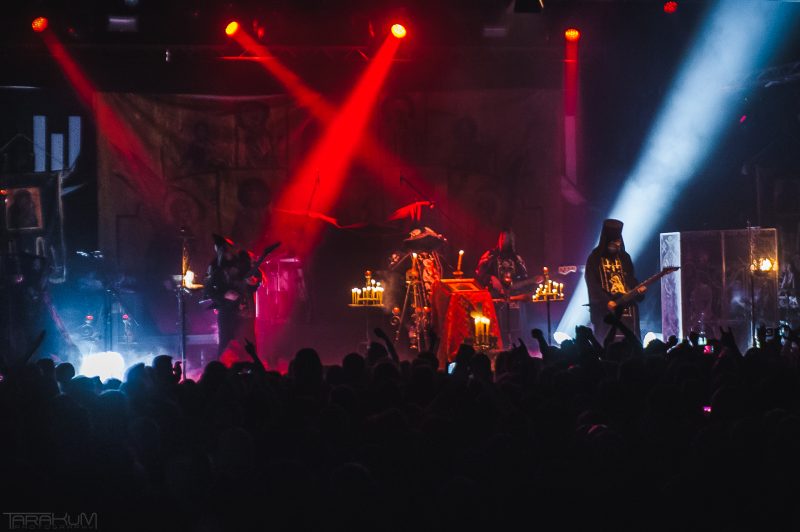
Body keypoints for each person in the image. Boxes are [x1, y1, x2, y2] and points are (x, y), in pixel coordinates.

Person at [585, 219, 645, 342]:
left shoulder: (624, 257)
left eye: (618, 242)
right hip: (605, 309)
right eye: (613, 243)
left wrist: (639, 290)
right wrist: (607, 301)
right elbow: (592, 284)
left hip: (627, 307)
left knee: (629, 340)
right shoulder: (595, 258)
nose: (616, 245)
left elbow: (630, 279)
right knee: (607, 340)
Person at [204, 234, 261, 358]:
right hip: (226, 310)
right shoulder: (215, 266)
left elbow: (256, 281)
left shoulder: (243, 261)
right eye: (223, 249)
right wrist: (224, 295)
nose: (228, 251)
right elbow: (208, 290)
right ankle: (223, 368)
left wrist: (254, 282)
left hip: (244, 310)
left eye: (229, 247)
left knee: (248, 344)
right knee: (225, 343)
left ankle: (252, 368)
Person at [475, 230, 529, 344]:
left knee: (515, 329)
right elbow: (480, 274)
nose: (505, 241)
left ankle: (517, 346)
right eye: (503, 238)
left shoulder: (517, 258)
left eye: (508, 238)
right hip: (495, 297)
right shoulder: (490, 255)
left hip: (514, 297)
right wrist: (491, 278)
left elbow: (524, 277)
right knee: (498, 329)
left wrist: (514, 286)